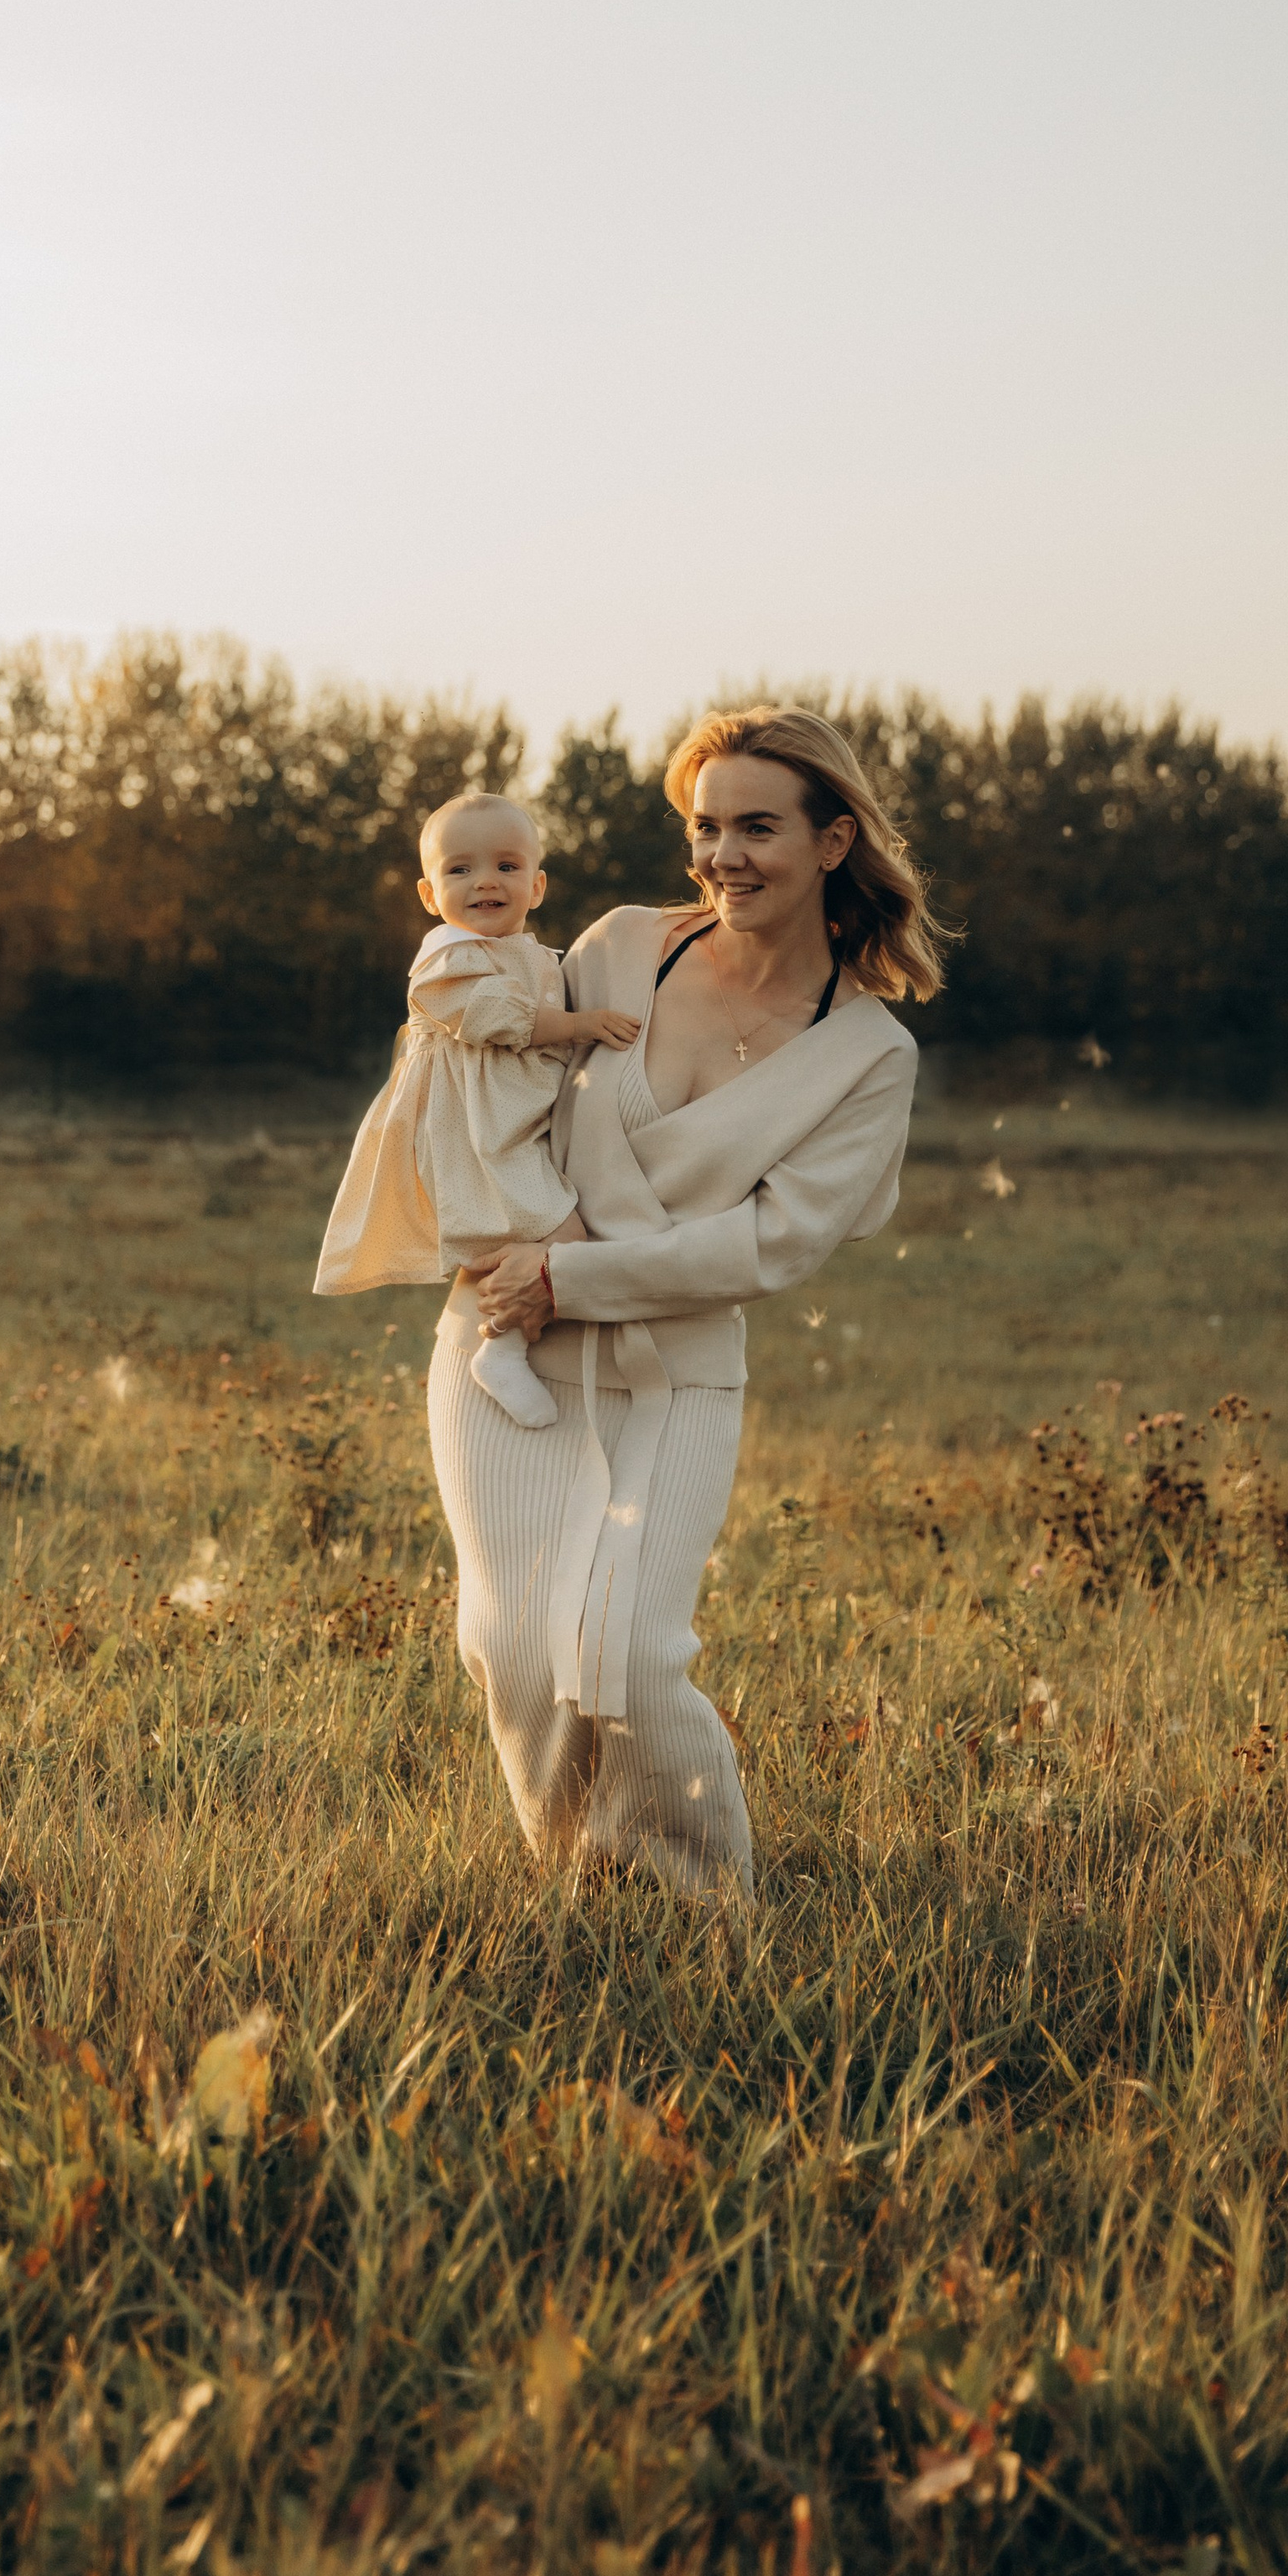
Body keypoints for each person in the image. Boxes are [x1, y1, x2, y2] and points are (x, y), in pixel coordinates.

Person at [440, 706, 948, 1895]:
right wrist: (480, 1225)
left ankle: (708, 1903)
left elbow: (775, 1243)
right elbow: (484, 1074)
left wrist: (571, 1272)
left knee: (625, 1649)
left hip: (676, 1375)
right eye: (706, 826)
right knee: (513, 1645)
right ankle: (583, 1886)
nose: (723, 855)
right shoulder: (619, 947)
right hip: (507, 1346)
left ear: (833, 842)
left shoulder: (870, 1057)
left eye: (757, 827)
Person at [314, 792, 641, 1425]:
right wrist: (582, 1024)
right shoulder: (446, 956)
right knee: (561, 1235)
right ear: (430, 896)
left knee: (556, 1229)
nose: (486, 880)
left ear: (538, 885)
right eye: (460, 869)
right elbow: (490, 1015)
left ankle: (534, 1341)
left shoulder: (541, 958)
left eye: (507, 866)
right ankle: (502, 1349)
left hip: (515, 1122)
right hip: (474, 1130)